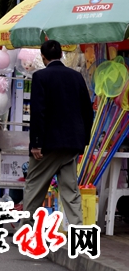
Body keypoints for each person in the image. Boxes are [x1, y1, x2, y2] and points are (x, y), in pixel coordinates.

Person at [23, 40, 94, 225]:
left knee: (34, 186)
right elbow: (87, 110)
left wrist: (36, 143)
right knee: (70, 190)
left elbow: (38, 113)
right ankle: (78, 231)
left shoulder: (40, 77)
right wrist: (83, 140)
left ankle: (26, 228)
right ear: (62, 54)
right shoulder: (76, 77)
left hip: (47, 144)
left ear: (43, 57)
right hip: (71, 144)